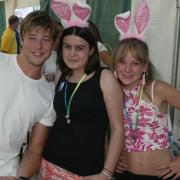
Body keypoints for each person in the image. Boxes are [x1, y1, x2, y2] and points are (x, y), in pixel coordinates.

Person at [38, 24, 124, 179]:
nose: (72, 54)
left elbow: (117, 129)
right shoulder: (61, 75)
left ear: (91, 49)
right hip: (49, 164)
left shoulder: (105, 78)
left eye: (79, 48)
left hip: (86, 171)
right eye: (67, 46)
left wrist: (106, 173)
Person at [0, 10, 58, 179]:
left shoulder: (49, 97)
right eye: (32, 37)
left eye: (45, 39)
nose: (38, 46)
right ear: (22, 39)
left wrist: (21, 178)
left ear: (53, 44)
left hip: (7, 171)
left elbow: (34, 150)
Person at [113, 37, 180, 180]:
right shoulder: (113, 92)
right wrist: (110, 155)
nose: (127, 69)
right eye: (122, 62)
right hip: (123, 175)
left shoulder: (158, 89)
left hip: (162, 175)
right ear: (115, 64)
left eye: (135, 63)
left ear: (145, 66)